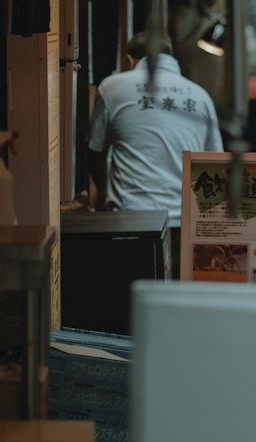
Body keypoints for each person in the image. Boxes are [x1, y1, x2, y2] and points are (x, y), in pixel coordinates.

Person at [88, 34, 223, 273]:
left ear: (130, 59)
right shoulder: (200, 96)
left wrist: (100, 197)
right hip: (184, 222)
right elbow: (215, 163)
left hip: (130, 221)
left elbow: (95, 150)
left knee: (133, 295)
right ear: (171, 58)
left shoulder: (112, 87)